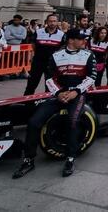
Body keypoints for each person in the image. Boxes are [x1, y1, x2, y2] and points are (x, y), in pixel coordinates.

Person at [12, 28, 96, 179]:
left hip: (77, 95)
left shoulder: (89, 55)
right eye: (81, 39)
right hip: (58, 95)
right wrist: (58, 93)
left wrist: (76, 92)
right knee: (33, 122)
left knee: (72, 121)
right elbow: (49, 78)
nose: (84, 41)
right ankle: (28, 159)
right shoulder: (56, 56)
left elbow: (91, 77)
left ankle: (70, 158)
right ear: (71, 40)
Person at [24, 14, 65, 95]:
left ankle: (47, 103)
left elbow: (62, 48)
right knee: (31, 84)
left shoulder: (61, 34)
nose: (52, 23)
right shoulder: (39, 32)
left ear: (57, 22)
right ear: (47, 22)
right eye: (50, 21)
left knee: (50, 86)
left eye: (54, 21)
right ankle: (26, 103)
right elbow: (33, 45)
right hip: (38, 62)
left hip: (52, 64)